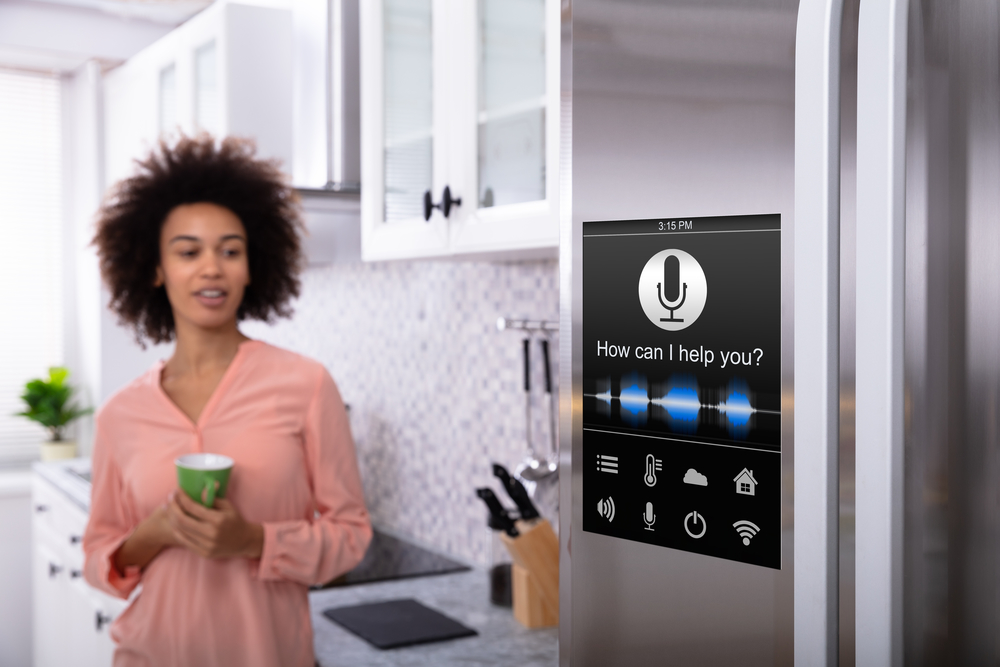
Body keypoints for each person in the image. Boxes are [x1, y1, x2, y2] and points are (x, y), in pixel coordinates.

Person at [82, 135, 372, 667]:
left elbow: (350, 539)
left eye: (230, 250)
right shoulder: (120, 416)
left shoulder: (305, 385)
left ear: (252, 266)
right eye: (188, 252)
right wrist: (155, 533)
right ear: (155, 269)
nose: (211, 267)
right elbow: (101, 560)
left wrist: (255, 541)